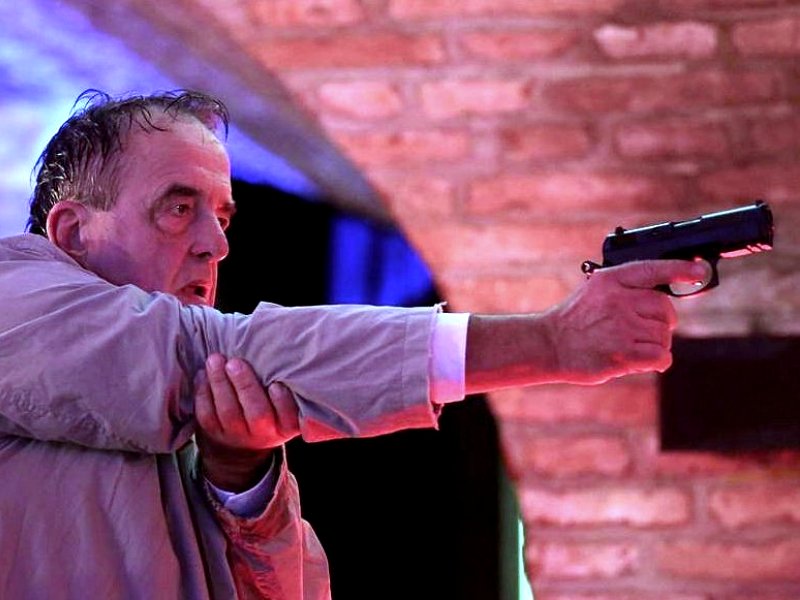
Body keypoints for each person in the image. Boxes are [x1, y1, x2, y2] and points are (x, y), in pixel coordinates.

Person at [0, 89, 708, 599]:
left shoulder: (174, 395)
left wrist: (241, 481)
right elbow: (217, 349)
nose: (216, 244)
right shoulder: (12, 295)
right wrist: (551, 341)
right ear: (72, 233)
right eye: (179, 209)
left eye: (222, 217)